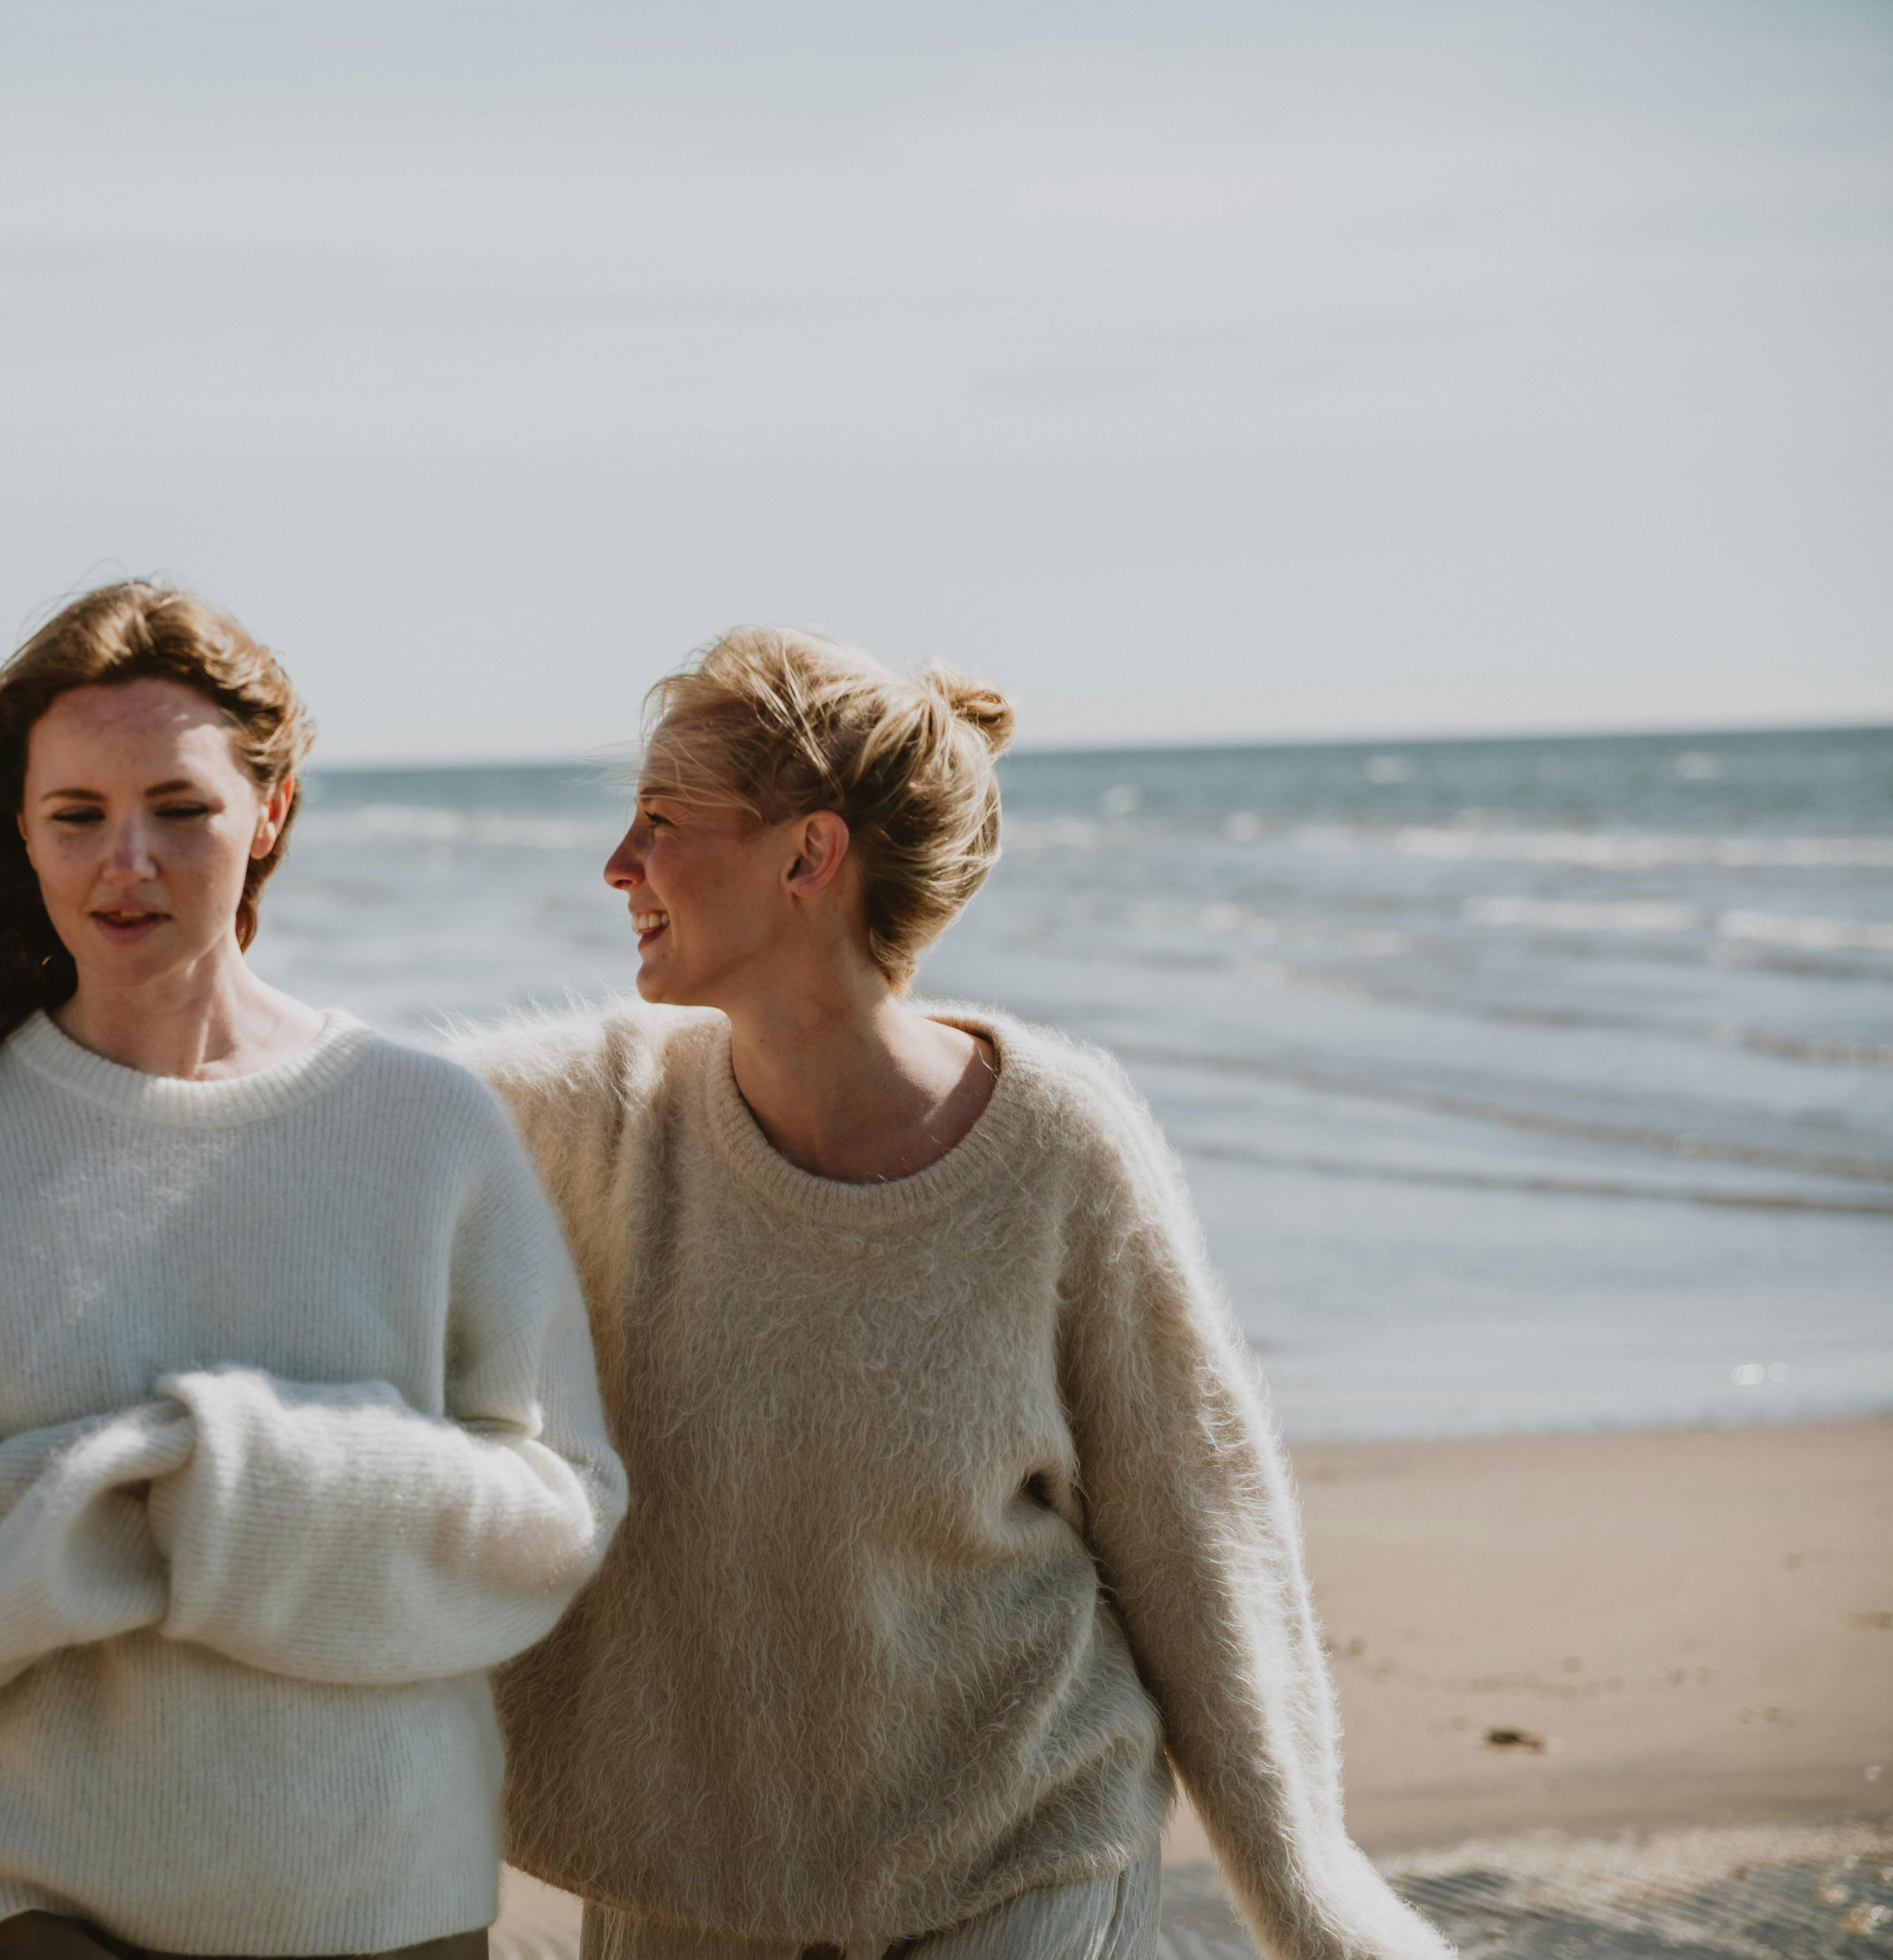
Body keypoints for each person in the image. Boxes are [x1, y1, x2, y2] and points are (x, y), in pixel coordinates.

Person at [459, 629, 1454, 1960]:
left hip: (1018, 1846)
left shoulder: (1056, 1147)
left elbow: (1192, 1527)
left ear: (808, 857)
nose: (618, 867)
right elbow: (330, 1137)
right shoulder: (600, 1114)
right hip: (694, 1871)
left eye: (660, 821)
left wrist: (1311, 1898)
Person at [0, 582, 624, 1960]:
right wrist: (127, 1499)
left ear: (273, 811)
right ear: (25, 832)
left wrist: (237, 1489)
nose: (127, 860)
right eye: (78, 815)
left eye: (180, 807)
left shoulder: (425, 1128)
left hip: (377, 1903)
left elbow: (555, 1512)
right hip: (11, 1904)